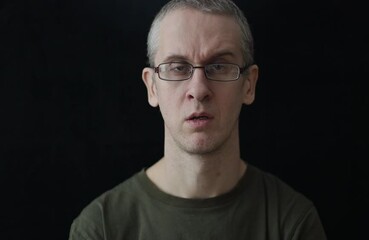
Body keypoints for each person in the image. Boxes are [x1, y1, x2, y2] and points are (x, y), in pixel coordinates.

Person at [68, 0, 328, 239]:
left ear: (249, 85)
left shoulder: (292, 221)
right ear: (152, 87)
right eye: (178, 67)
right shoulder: (101, 227)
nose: (198, 89)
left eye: (219, 66)